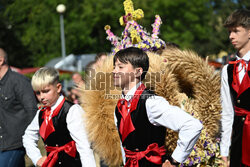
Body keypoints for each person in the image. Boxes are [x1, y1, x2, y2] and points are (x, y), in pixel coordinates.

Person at [112, 47, 203, 166]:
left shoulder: (152, 102)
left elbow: (192, 125)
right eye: (114, 67)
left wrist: (174, 160)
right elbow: (125, 148)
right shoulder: (119, 107)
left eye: (120, 67)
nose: (114, 71)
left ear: (138, 71)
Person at [22, 67, 96, 167]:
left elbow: (84, 147)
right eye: (38, 93)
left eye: (46, 91)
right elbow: (28, 136)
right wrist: (37, 158)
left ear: (58, 88)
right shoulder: (41, 112)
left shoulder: (72, 110)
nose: (41, 97)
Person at [220, 9, 250, 167]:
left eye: (236, 31)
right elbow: (227, 112)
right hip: (239, 138)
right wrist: (224, 149)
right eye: (230, 32)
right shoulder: (227, 70)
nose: (231, 36)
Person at [0, 48, 38, 166]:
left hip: (15, 143)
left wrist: (30, 141)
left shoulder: (19, 82)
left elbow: (32, 110)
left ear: (1, 61)